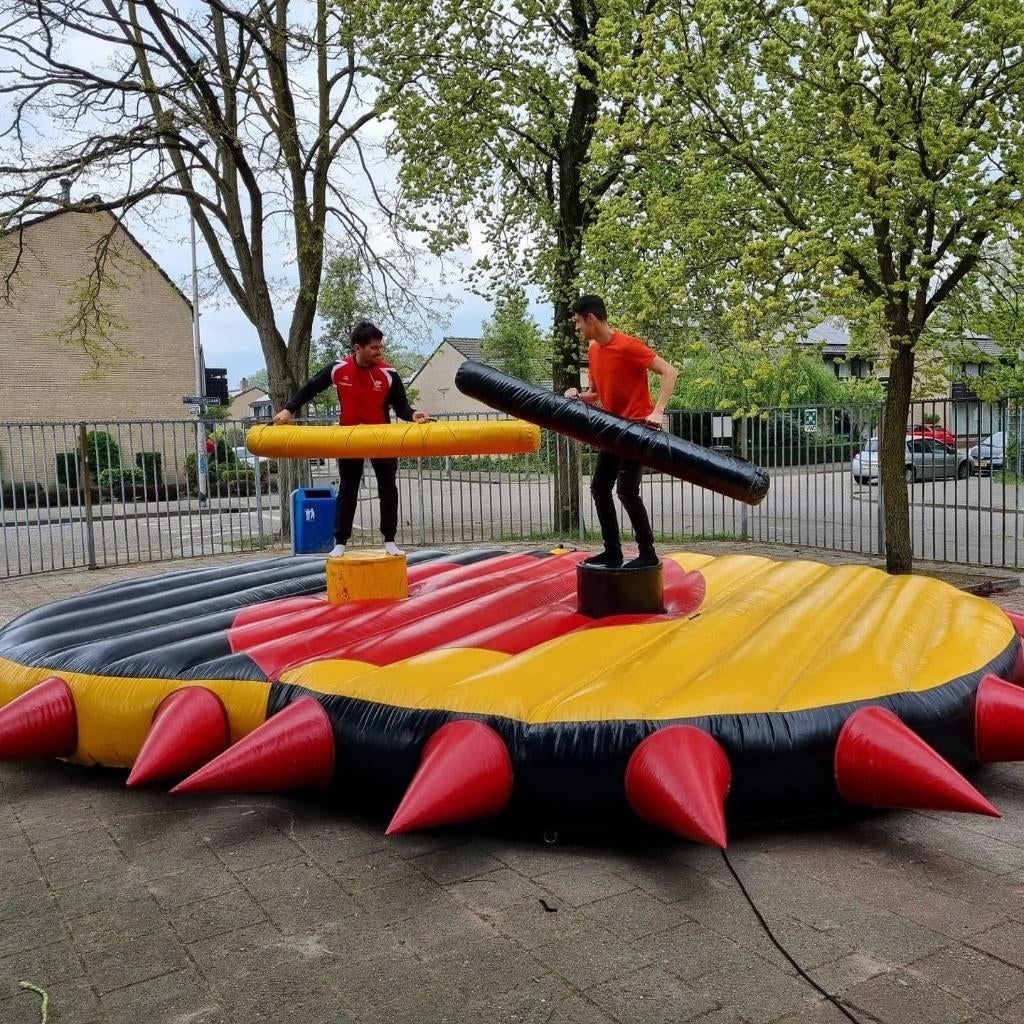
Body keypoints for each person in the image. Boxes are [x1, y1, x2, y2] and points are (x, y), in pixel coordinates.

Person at [273, 321, 430, 558]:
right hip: (349, 437)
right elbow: (311, 387)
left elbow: (401, 407)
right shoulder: (338, 368)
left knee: (388, 488)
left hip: (381, 438)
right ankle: (340, 542)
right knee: (348, 488)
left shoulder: (389, 373)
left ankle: (389, 539)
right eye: (374, 348)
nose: (380, 352)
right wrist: (288, 410)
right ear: (358, 348)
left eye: (380, 347)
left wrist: (413, 414)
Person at [564, 294, 680, 569]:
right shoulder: (593, 350)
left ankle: (648, 553)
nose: (577, 328)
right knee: (599, 487)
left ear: (591, 319)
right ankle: (612, 551)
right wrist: (577, 396)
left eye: (579, 322)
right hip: (612, 428)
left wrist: (658, 411)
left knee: (626, 490)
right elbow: (595, 394)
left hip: (637, 428)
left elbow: (670, 372)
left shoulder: (628, 346)